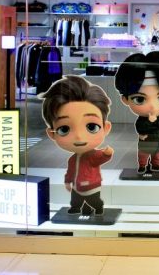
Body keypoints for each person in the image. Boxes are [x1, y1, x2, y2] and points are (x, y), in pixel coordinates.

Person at [41, 75, 113, 216]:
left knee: (93, 200)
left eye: (91, 127)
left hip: (92, 185)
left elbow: (100, 158)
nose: (79, 136)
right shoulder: (72, 159)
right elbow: (70, 171)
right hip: (77, 186)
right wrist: (67, 181)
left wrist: (106, 154)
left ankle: (97, 208)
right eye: (64, 129)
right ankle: (77, 209)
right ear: (51, 134)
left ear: (106, 128)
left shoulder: (93, 155)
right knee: (76, 200)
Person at [115, 51, 159, 173]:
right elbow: (140, 127)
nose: (152, 106)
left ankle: (155, 164)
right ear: (125, 100)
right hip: (146, 142)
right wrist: (147, 127)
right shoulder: (141, 120)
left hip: (158, 142)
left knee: (157, 154)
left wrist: (156, 128)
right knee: (143, 154)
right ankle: (142, 165)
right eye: (140, 99)